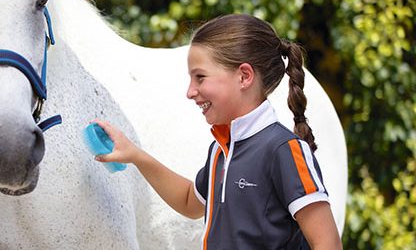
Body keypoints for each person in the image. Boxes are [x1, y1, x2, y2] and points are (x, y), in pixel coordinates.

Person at [94, 14, 342, 249]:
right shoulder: (220, 150)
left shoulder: (284, 150)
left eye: (200, 77)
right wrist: (135, 155)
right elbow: (190, 201)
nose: (190, 92)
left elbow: (328, 243)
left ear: (244, 76)